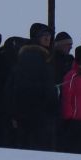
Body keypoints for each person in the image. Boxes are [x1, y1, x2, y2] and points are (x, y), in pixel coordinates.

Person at [6, 23, 59, 151]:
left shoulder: (40, 57)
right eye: (44, 35)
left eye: (49, 35)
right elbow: (26, 87)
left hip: (29, 116)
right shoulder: (34, 57)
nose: (48, 38)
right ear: (36, 37)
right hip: (38, 116)